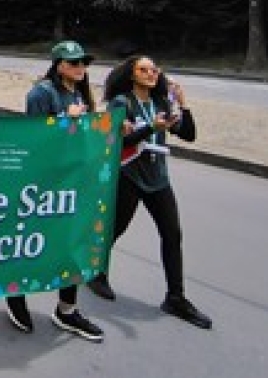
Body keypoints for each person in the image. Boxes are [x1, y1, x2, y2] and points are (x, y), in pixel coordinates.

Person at [87, 55, 212, 329]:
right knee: (115, 228)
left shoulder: (161, 103)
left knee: (172, 234)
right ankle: (94, 272)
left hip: (158, 179)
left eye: (154, 70)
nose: (151, 73)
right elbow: (116, 141)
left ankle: (175, 298)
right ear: (132, 75)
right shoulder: (122, 103)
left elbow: (188, 134)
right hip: (129, 176)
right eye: (143, 70)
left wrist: (184, 104)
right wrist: (150, 128)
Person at [4, 40, 104, 342]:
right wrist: (64, 121)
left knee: (71, 244)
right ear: (58, 65)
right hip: (42, 184)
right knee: (32, 241)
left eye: (83, 62)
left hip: (71, 182)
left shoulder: (79, 93)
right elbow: (34, 141)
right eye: (74, 62)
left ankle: (67, 310)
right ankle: (15, 293)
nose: (80, 67)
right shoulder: (41, 93)